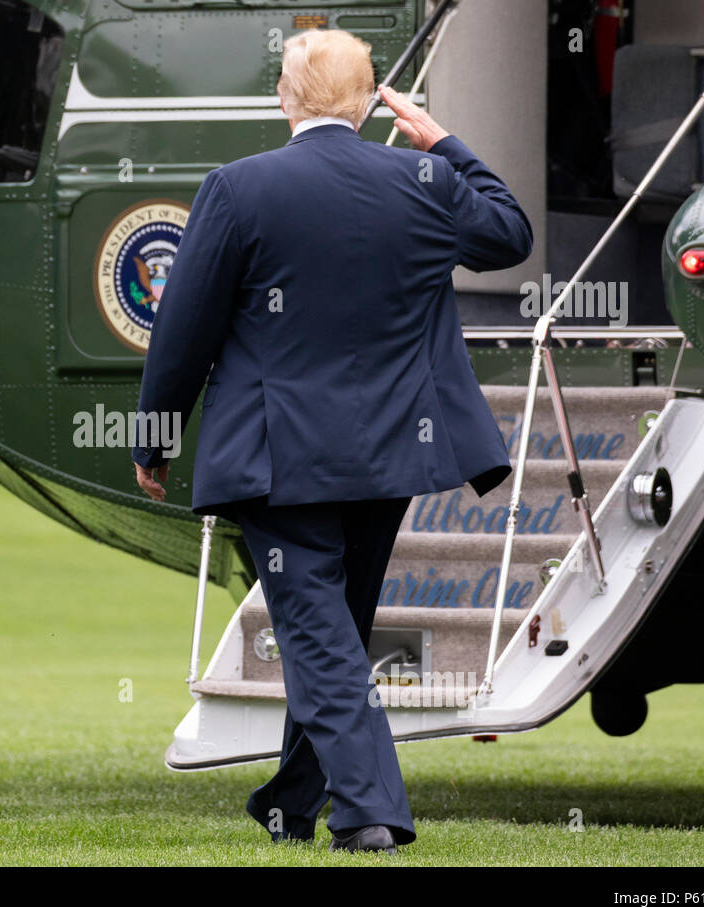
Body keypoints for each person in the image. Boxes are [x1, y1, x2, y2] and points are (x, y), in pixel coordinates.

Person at [131, 29, 531, 853]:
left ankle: (371, 812)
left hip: (277, 458)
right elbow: (509, 236)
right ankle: (290, 805)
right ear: (370, 98)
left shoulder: (238, 188)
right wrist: (444, 143)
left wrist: (154, 438)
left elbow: (183, 331)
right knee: (335, 635)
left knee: (317, 636)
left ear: (286, 97)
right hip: (389, 453)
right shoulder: (422, 179)